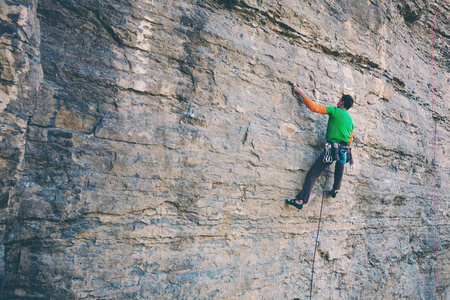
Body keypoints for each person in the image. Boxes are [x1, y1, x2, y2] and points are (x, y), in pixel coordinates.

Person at [285, 84, 354, 210]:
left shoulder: (335, 111)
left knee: (313, 173)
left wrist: (301, 92)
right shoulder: (350, 120)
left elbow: (314, 108)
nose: (337, 102)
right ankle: (335, 190)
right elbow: (350, 138)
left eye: (339, 100)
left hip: (333, 149)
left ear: (342, 102)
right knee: (340, 167)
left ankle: (301, 200)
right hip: (344, 149)